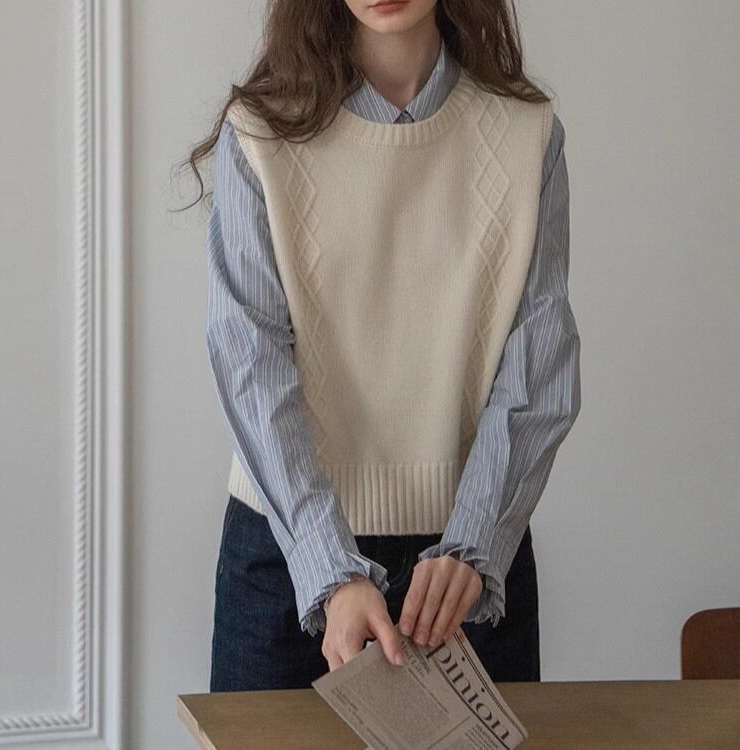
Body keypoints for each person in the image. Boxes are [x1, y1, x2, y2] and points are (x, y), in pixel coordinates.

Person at [185, 0, 581, 691]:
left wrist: (476, 544)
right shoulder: (259, 134)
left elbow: (539, 365)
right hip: (288, 556)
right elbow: (250, 362)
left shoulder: (529, 133)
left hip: (465, 569)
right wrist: (329, 568)